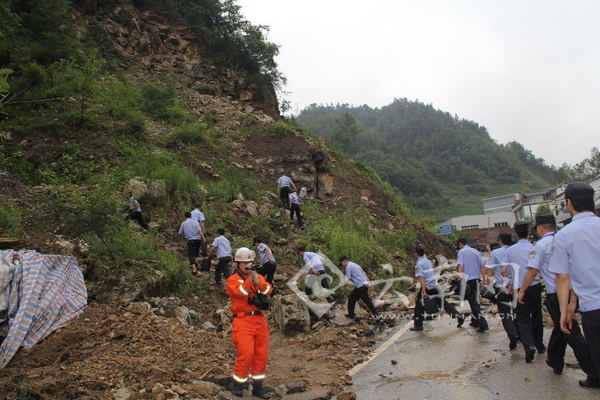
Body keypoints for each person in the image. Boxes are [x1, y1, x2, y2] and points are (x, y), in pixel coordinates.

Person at [519, 214, 596, 381]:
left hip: (557, 293)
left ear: (540, 229)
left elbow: (532, 271)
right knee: (561, 328)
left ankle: (593, 371)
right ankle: (555, 360)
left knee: (571, 332)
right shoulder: (567, 238)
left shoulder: (539, 246)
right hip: (576, 291)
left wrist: (522, 290)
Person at [548, 182, 600, 388]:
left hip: (593, 308)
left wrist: (565, 310)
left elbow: (563, 277)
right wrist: (572, 302)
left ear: (568, 203)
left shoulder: (565, 235)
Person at [226, 247, 273, 398]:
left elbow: (268, 291)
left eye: (250, 262)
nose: (247, 265)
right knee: (246, 354)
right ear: (238, 264)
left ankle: (258, 388)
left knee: (261, 355)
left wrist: (258, 281)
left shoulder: (257, 276)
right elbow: (240, 293)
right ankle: (238, 384)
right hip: (243, 320)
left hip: (259, 319)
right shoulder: (232, 280)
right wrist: (249, 280)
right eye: (244, 262)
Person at [505, 220, 544, 363]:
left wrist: (509, 282)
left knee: (522, 318)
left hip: (518, 287)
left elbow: (506, 269)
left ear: (515, 233)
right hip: (534, 286)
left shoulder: (510, 250)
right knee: (537, 315)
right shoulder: (534, 248)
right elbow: (537, 269)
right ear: (528, 232)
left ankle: (529, 344)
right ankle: (540, 345)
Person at [411, 247, 464, 331]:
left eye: (414, 252)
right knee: (444, 303)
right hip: (434, 285)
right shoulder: (427, 261)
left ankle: (418, 325)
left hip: (427, 287)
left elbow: (421, 278)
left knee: (419, 307)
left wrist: (424, 291)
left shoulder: (419, 264)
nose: (413, 254)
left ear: (416, 253)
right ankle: (459, 316)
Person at [485, 232, 519, 349]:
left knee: (505, 312)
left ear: (500, 241)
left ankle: (512, 334)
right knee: (518, 311)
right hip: (517, 286)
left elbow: (489, 270)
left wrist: (489, 281)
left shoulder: (495, 252)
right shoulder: (516, 250)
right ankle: (520, 333)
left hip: (501, 286)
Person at [456, 238, 489, 332]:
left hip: (468, 280)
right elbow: (482, 266)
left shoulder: (461, 252)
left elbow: (460, 266)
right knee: (475, 300)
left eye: (458, 245)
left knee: (473, 303)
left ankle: (483, 324)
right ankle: (475, 321)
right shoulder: (475, 251)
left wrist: (460, 278)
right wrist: (484, 278)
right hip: (476, 280)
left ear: (460, 244)